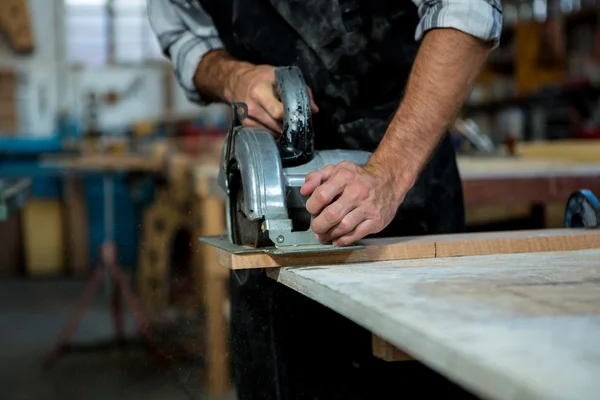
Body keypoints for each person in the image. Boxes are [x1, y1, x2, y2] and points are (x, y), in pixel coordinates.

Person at [148, 1, 501, 399]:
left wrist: (389, 172)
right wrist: (234, 76)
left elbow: (466, 11)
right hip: (268, 196)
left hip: (405, 160)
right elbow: (185, 37)